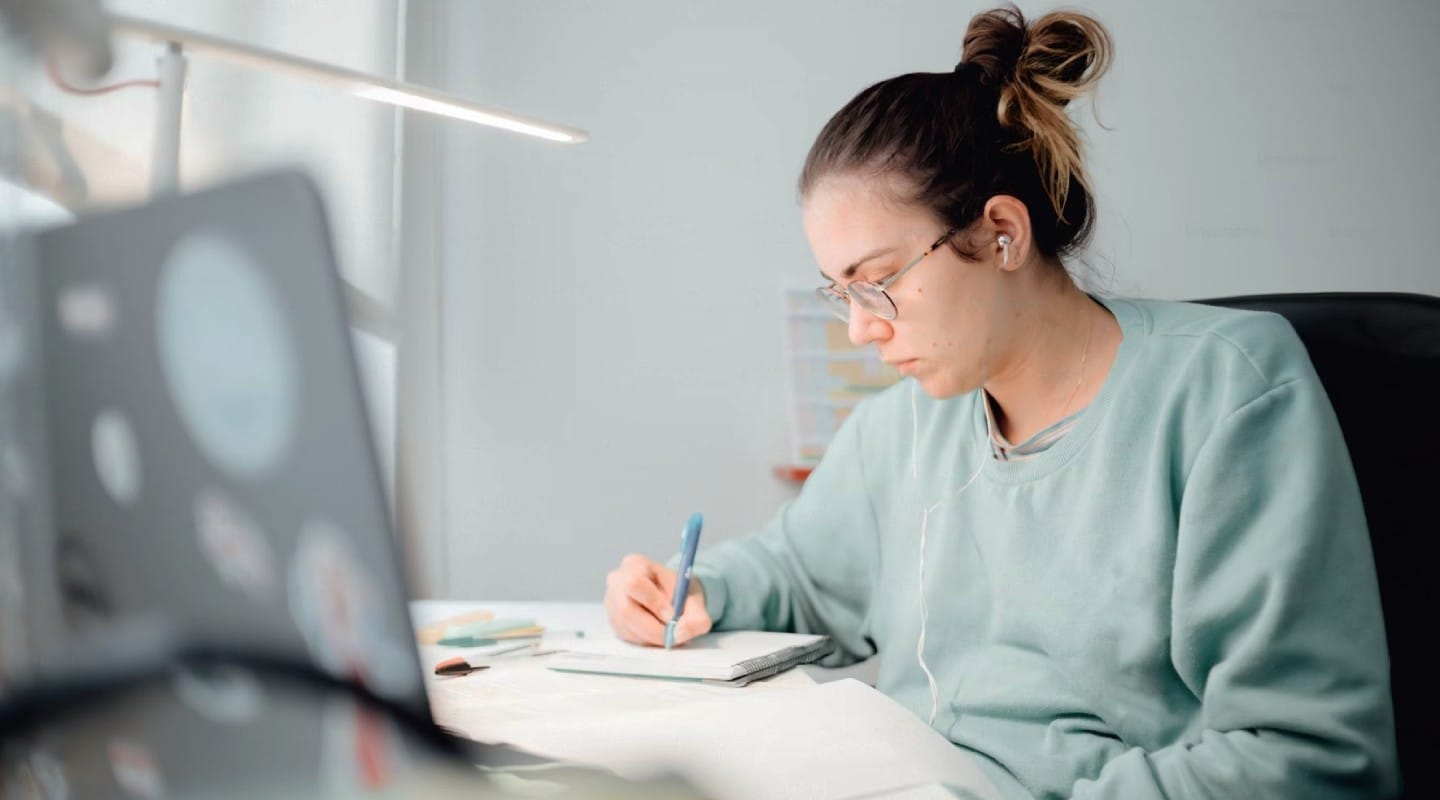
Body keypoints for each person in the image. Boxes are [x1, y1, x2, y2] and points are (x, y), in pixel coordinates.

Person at [602, 6, 1398, 798]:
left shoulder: (1226, 392)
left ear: (1003, 234)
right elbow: (797, 575)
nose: (858, 330)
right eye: (839, 293)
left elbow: (1307, 758)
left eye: (877, 282)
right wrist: (690, 590)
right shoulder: (902, 424)